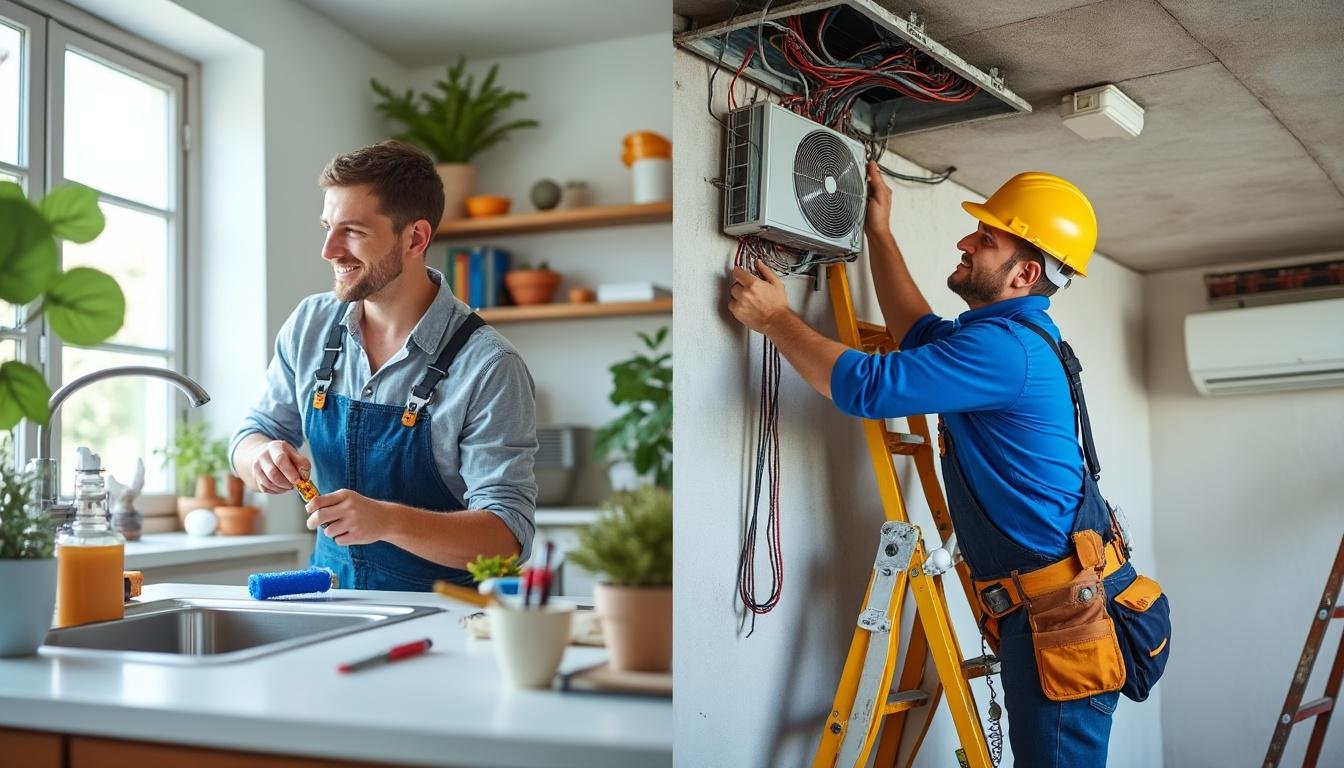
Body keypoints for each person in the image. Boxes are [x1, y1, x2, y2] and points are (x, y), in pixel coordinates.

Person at [727, 162, 1152, 766]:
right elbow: (918, 333)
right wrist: (879, 232)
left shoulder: (1004, 350)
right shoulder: (1009, 337)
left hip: (1061, 619)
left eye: (986, 239)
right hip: (1057, 606)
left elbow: (866, 387)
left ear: (1025, 273)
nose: (965, 242)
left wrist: (775, 319)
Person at [230, 140, 537, 591]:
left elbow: (507, 537)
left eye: (352, 231)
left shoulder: (489, 365)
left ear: (415, 238)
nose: (329, 250)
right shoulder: (310, 324)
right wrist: (261, 456)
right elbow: (252, 432)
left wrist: (387, 521)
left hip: (443, 614)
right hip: (333, 599)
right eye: (327, 228)